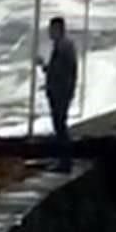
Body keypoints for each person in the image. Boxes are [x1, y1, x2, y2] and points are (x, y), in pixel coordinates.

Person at [37, 16, 78, 172]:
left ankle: (65, 162)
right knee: (60, 125)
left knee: (60, 126)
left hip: (61, 92)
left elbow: (59, 71)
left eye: (51, 29)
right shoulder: (65, 45)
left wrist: (44, 67)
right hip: (63, 91)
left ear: (58, 29)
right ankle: (63, 161)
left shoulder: (63, 46)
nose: (49, 32)